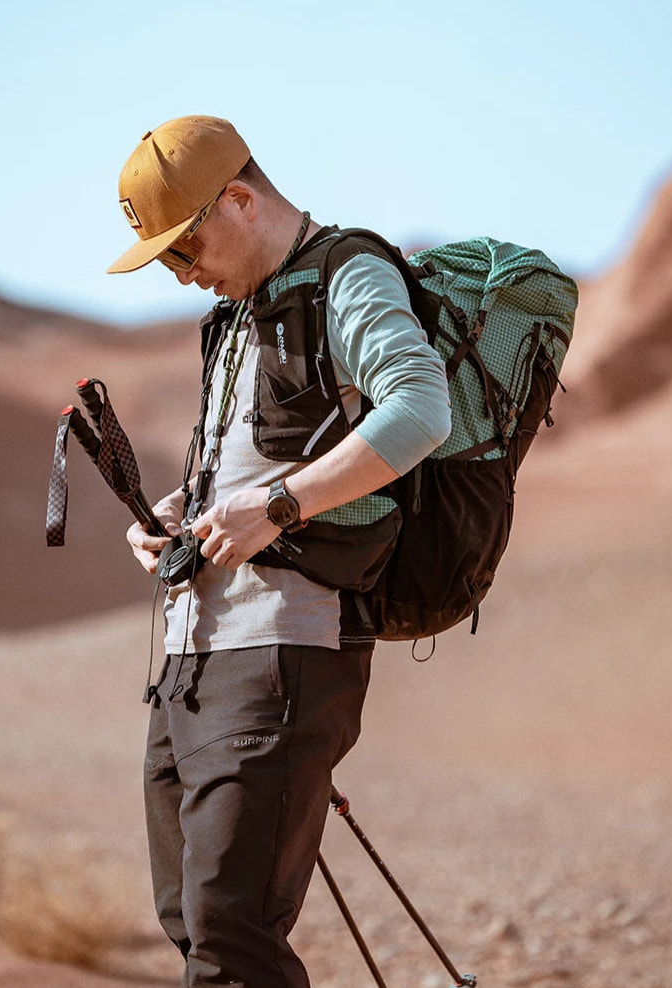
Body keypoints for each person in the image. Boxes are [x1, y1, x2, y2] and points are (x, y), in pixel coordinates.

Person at [108, 115, 452, 988]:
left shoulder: (350, 274)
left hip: (283, 650)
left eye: (186, 249)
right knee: (194, 925)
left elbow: (420, 410)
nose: (184, 277)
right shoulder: (235, 314)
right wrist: (179, 510)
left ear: (240, 199)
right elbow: (257, 456)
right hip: (193, 657)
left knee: (232, 939)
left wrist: (280, 504)